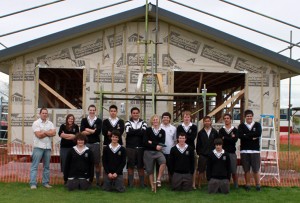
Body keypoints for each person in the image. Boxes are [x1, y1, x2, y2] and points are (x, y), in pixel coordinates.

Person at [29, 108, 56, 189]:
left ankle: (45, 183)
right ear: (40, 114)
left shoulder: (50, 123)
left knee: (47, 166)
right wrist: (48, 133)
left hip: (47, 148)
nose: (44, 114)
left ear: (47, 114)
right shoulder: (36, 123)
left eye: (46, 113)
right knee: (35, 166)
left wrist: (44, 131)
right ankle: (33, 183)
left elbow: (54, 133)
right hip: (38, 147)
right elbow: (39, 135)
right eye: (43, 113)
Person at [238, 109, 262, 191]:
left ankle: (258, 185)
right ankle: (247, 185)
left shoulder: (257, 125)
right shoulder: (241, 126)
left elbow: (258, 133)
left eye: (250, 116)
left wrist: (246, 135)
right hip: (244, 151)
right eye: (247, 116)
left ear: (252, 116)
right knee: (246, 169)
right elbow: (240, 136)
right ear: (245, 117)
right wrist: (252, 137)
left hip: (255, 151)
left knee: (256, 169)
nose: (249, 117)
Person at [125, 107, 147, 188]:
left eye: (137, 113)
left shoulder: (144, 122)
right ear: (131, 114)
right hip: (130, 147)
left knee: (141, 167)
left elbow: (143, 132)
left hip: (141, 147)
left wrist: (134, 131)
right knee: (130, 166)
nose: (135, 114)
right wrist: (139, 131)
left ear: (139, 113)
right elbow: (128, 132)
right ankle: (130, 184)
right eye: (133, 113)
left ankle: (142, 184)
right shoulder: (127, 122)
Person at [80, 104, 102, 186]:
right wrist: (92, 131)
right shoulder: (84, 120)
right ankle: (87, 180)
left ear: (95, 111)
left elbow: (98, 132)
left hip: (96, 144)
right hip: (86, 144)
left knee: (97, 163)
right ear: (88, 111)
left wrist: (87, 129)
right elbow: (82, 131)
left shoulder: (99, 121)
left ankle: (97, 181)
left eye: (93, 110)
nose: (92, 111)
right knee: (86, 163)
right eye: (90, 110)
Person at [143, 114, 166, 191]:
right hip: (148, 152)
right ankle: (153, 186)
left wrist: (151, 142)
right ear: (152, 121)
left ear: (159, 121)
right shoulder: (148, 130)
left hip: (158, 152)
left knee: (163, 161)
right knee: (150, 170)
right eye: (154, 119)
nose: (155, 121)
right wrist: (155, 145)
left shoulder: (162, 131)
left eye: (157, 119)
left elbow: (162, 142)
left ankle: (158, 179)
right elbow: (145, 142)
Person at [176, 110, 198, 189]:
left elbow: (192, 138)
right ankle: (181, 182)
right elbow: (178, 138)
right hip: (180, 149)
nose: (186, 118)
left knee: (193, 166)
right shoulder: (179, 127)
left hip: (191, 149)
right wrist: (185, 137)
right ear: (183, 118)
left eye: (188, 117)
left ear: (190, 118)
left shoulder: (194, 127)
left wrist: (183, 137)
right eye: (185, 117)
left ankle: (193, 184)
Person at [196, 115, 219, 188]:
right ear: (203, 122)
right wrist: (199, 153)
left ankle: (212, 184)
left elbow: (217, 143)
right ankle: (199, 184)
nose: (207, 122)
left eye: (208, 121)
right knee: (201, 170)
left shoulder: (214, 132)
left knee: (212, 169)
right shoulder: (200, 133)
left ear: (211, 122)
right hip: (203, 154)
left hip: (212, 154)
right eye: (205, 121)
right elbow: (198, 144)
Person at [218, 113, 239, 188]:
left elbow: (235, 140)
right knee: (224, 170)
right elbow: (220, 140)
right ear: (223, 120)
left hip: (232, 152)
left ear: (230, 119)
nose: (226, 119)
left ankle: (236, 185)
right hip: (223, 153)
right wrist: (230, 138)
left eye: (228, 118)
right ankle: (225, 184)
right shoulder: (221, 130)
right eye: (225, 118)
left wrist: (225, 138)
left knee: (233, 170)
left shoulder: (235, 130)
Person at [58, 114, 79, 183]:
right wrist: (71, 135)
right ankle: (65, 179)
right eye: (69, 118)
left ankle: (71, 178)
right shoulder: (63, 126)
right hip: (64, 148)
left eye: (72, 119)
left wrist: (65, 136)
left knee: (72, 163)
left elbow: (76, 137)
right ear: (67, 119)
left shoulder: (76, 127)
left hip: (73, 148)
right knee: (64, 163)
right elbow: (60, 135)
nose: (70, 120)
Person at [160, 112, 177, 183]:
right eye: (164, 117)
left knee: (171, 168)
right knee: (159, 168)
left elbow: (175, 140)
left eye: (167, 117)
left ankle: (172, 182)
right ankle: (158, 182)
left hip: (170, 152)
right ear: (162, 119)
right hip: (160, 152)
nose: (165, 119)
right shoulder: (159, 127)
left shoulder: (173, 128)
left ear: (170, 119)